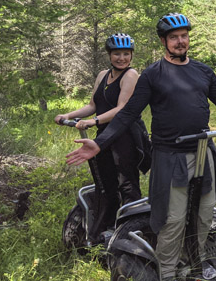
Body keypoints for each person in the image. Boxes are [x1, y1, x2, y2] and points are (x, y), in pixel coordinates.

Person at [65, 13, 216, 281]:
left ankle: (197, 263)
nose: (180, 41)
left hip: (202, 152)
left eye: (184, 36)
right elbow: (128, 113)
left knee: (203, 214)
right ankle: (168, 271)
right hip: (169, 156)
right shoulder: (153, 74)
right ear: (164, 41)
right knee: (172, 219)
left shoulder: (203, 71)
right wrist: (99, 143)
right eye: (174, 37)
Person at [55, 33, 149, 244]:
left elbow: (122, 109)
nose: (121, 58)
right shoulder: (102, 75)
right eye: (117, 53)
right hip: (104, 137)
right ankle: (106, 228)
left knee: (127, 184)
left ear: (131, 55)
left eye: (126, 53)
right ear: (109, 54)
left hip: (125, 136)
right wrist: (68, 116)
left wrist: (93, 121)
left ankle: (133, 232)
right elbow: (93, 105)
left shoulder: (131, 75)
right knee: (105, 183)